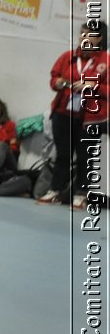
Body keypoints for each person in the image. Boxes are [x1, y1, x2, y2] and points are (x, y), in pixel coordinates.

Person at [39, 19, 107, 207]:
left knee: (85, 155)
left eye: (90, 35)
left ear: (99, 38)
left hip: (90, 117)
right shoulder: (67, 57)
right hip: (64, 112)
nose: (84, 38)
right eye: (82, 34)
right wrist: (58, 83)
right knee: (62, 154)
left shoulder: (106, 61)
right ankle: (55, 190)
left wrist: (94, 86)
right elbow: (53, 79)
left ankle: (82, 193)